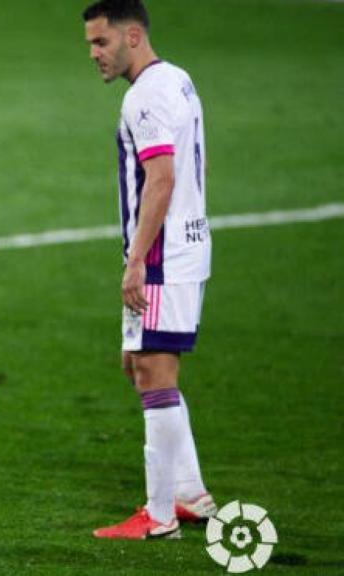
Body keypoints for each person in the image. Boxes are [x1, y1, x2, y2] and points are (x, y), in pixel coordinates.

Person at [82, 0, 218, 540]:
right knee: (140, 367)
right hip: (185, 248)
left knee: (153, 373)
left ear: (132, 35)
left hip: (161, 258)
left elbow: (159, 178)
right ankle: (188, 493)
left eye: (101, 42)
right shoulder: (177, 79)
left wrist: (136, 260)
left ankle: (158, 515)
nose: (94, 54)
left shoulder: (144, 98)